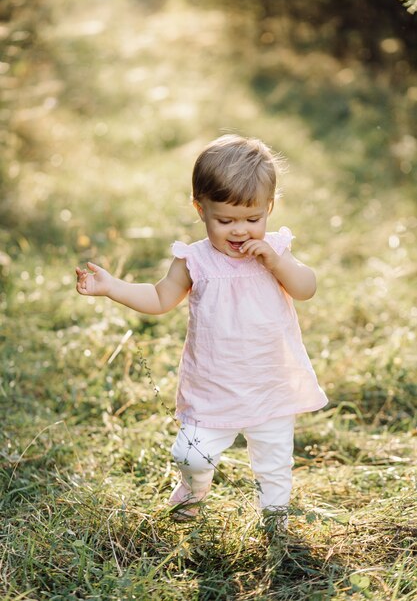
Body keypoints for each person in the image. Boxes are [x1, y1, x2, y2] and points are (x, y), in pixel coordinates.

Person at [76, 134, 328, 528]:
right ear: (200, 209)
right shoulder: (194, 259)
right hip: (213, 386)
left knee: (274, 460)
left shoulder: (276, 250)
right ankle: (193, 491)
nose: (240, 230)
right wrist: (113, 288)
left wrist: (277, 263)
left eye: (253, 219)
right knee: (191, 455)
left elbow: (306, 288)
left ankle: (275, 522)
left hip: (269, 383)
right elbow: (159, 298)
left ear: (270, 208)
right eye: (225, 220)